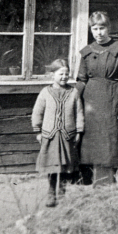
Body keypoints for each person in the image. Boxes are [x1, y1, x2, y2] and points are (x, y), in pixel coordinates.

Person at [77, 11, 118, 185]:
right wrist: (71, 100)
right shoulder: (86, 52)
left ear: (108, 28)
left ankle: (106, 183)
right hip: (90, 102)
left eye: (102, 28)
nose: (99, 32)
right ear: (91, 29)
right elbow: (81, 80)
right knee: (89, 139)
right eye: (95, 28)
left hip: (111, 100)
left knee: (109, 138)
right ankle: (86, 181)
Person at [31, 58, 84, 207]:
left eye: (67, 74)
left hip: (68, 136)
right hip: (51, 136)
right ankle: (51, 193)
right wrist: (38, 131)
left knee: (66, 167)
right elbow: (37, 112)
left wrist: (79, 130)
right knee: (52, 167)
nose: (64, 77)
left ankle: (62, 193)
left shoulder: (73, 92)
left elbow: (79, 112)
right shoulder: (45, 93)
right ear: (52, 75)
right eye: (61, 74)